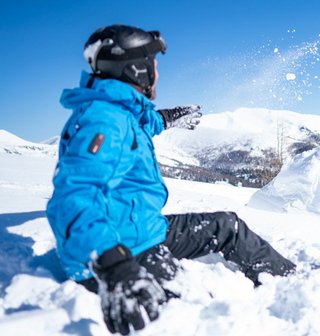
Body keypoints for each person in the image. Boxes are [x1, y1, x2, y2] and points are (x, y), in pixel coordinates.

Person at [46, 24, 296, 335]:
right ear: (136, 69)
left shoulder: (118, 111)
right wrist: (113, 266)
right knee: (186, 313)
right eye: (153, 64)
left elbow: (144, 124)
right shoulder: (105, 121)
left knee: (226, 225)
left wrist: (171, 117)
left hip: (137, 229)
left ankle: (291, 283)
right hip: (119, 252)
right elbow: (74, 195)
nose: (158, 72)